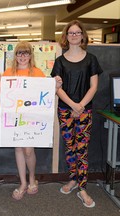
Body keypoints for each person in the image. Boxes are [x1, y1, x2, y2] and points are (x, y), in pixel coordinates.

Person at [0, 41, 62, 201]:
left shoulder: (37, 73)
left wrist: (56, 86)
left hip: (32, 119)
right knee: (18, 149)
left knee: (28, 150)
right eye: (19, 53)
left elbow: (46, 96)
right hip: (14, 118)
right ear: (15, 55)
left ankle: (32, 178)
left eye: (26, 53)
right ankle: (23, 183)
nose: (23, 56)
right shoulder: (9, 72)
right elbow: (0, 97)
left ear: (31, 55)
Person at [50, 20, 103, 208]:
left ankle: (82, 188)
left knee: (82, 150)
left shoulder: (91, 59)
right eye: (70, 33)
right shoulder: (59, 61)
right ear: (66, 36)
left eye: (77, 32)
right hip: (65, 111)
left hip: (84, 111)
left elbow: (94, 86)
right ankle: (73, 179)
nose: (74, 35)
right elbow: (57, 88)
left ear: (82, 35)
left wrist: (79, 106)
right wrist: (72, 105)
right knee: (70, 148)